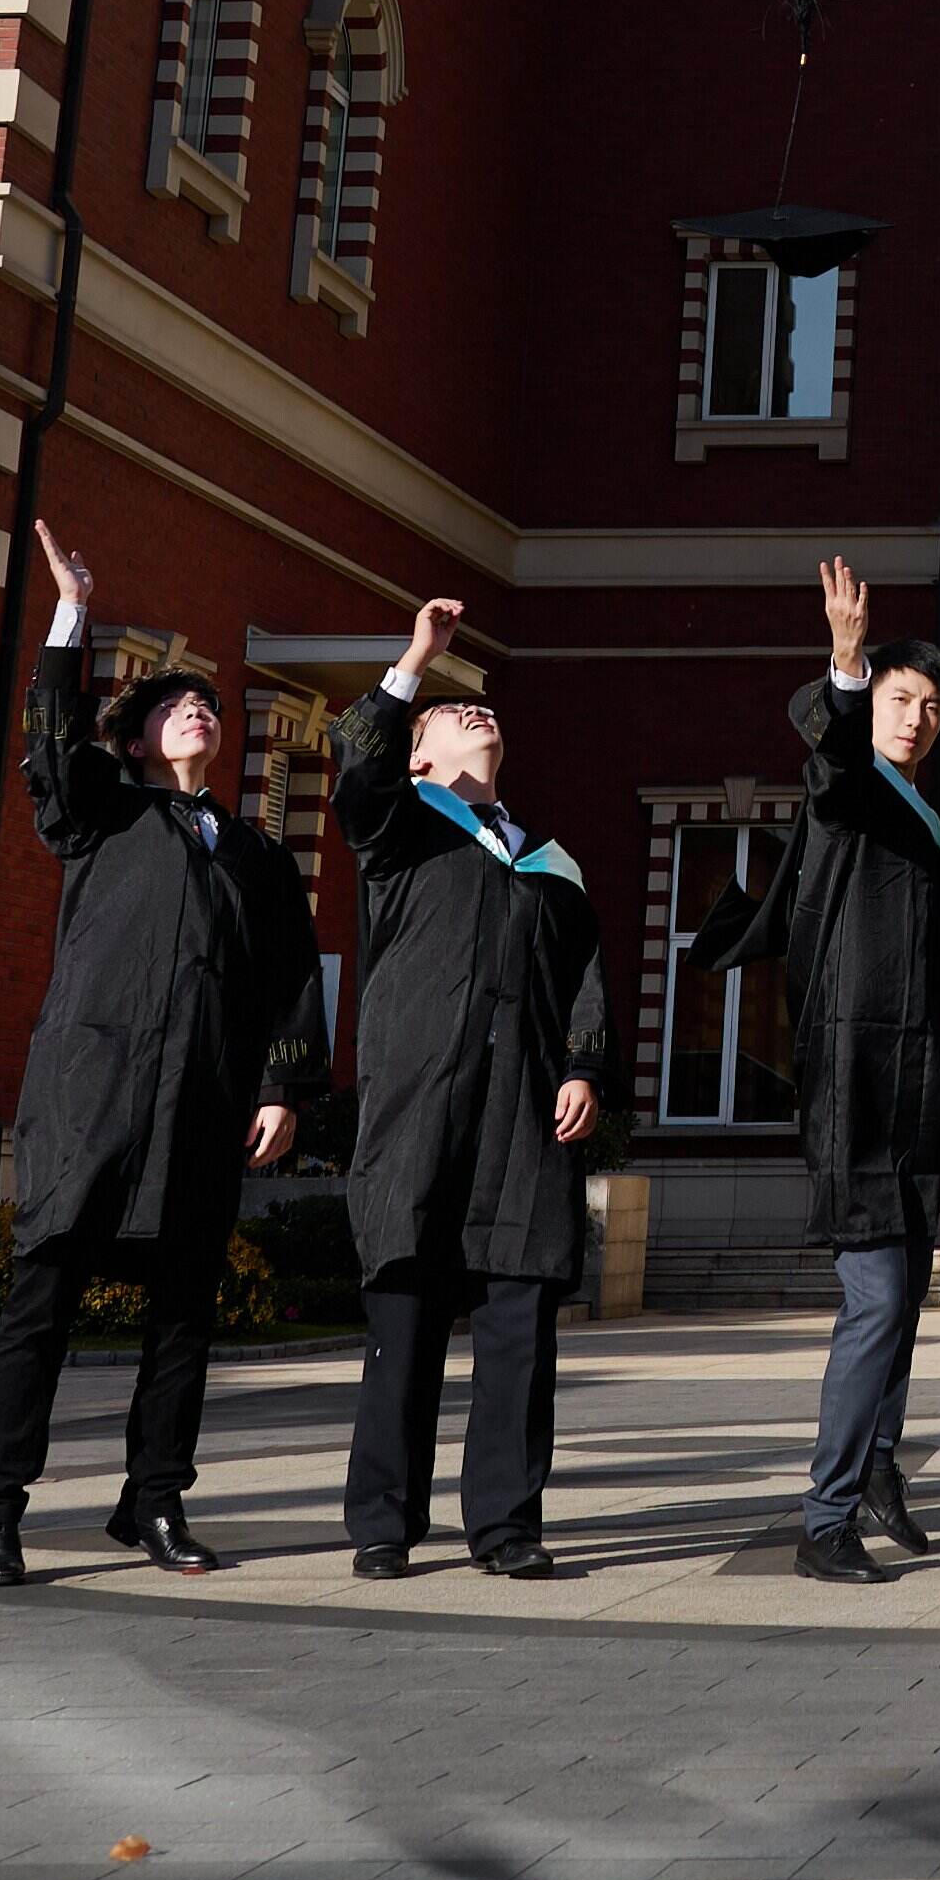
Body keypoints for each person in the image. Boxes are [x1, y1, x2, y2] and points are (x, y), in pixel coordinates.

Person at [0, 522, 318, 1588]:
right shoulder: (101, 814)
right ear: (139, 736)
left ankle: (154, 1500)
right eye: (173, 704)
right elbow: (54, 740)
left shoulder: (254, 852)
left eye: (205, 701)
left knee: (181, 1316)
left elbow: (290, 976)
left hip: (200, 1104)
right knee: (43, 1303)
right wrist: (71, 610)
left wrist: (282, 1086)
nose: (197, 709)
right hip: (92, 1096)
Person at [327, 593, 612, 1582]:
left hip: (522, 1115)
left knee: (518, 1326)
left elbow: (584, 975)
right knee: (403, 1320)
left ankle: (505, 1523)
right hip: (421, 1107)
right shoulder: (401, 830)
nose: (476, 712)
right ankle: (382, 1521)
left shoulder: (550, 860)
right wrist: (414, 660)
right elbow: (355, 769)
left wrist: (580, 1063)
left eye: (485, 709)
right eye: (451, 713)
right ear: (417, 752)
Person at [744, 555, 940, 1586]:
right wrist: (844, 659)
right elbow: (830, 759)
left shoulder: (922, 815)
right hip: (853, 1078)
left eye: (931, 704)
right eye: (900, 697)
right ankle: (825, 1515)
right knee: (878, 1296)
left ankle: (880, 1461)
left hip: (913, 1078)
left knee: (909, 1288)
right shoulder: (850, 791)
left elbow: (908, 932)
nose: (917, 716)